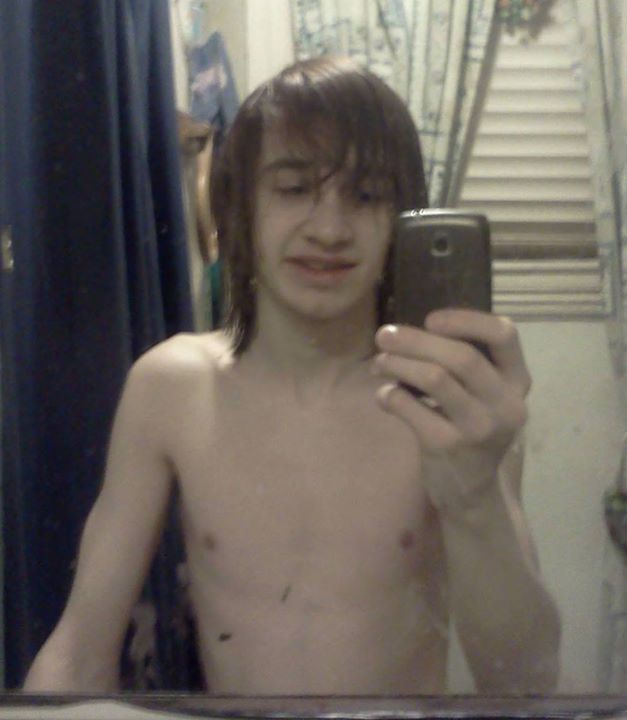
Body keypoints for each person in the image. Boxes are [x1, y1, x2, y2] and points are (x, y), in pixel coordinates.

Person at [24, 55, 560, 695]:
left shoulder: (453, 397)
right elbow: (79, 648)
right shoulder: (170, 389)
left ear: (401, 220)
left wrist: (472, 495)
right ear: (238, 207)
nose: (329, 229)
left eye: (367, 195)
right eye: (294, 188)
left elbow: (524, 678)